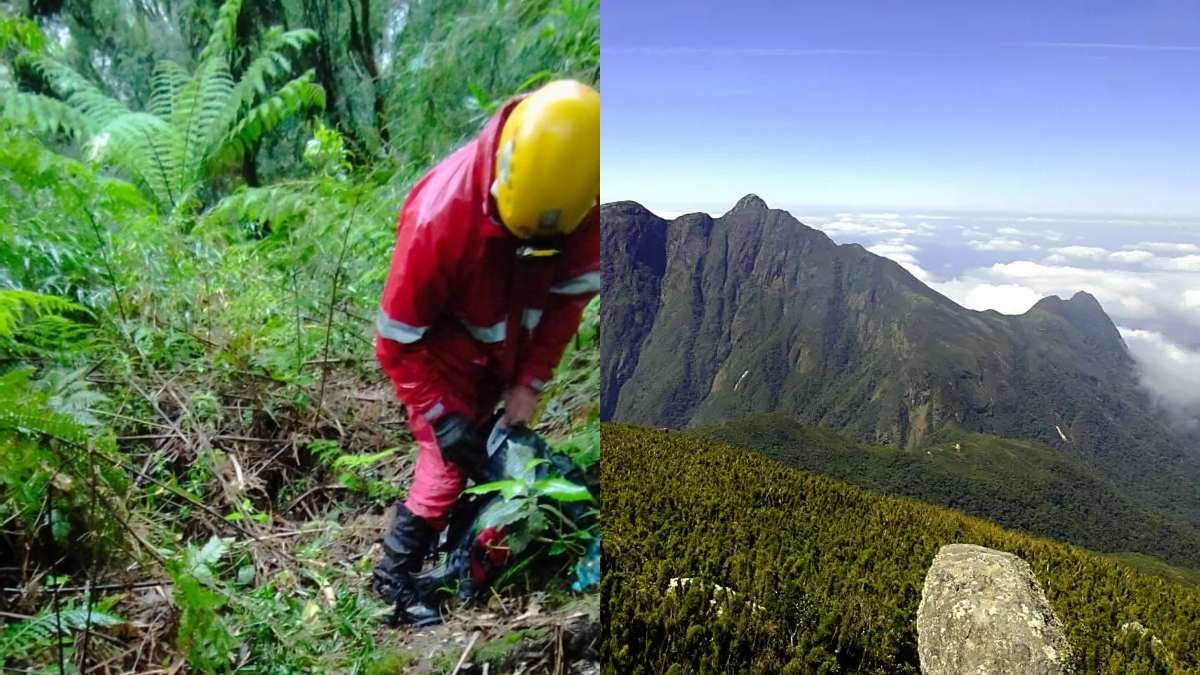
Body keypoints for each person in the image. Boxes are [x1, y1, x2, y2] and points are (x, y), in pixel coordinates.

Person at [371, 80, 600, 626]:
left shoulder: (579, 200)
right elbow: (396, 339)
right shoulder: (438, 220)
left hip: (503, 357)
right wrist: (439, 416)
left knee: (490, 452)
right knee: (447, 465)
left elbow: (565, 307)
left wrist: (529, 382)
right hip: (440, 358)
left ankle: (458, 540)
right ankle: (394, 577)